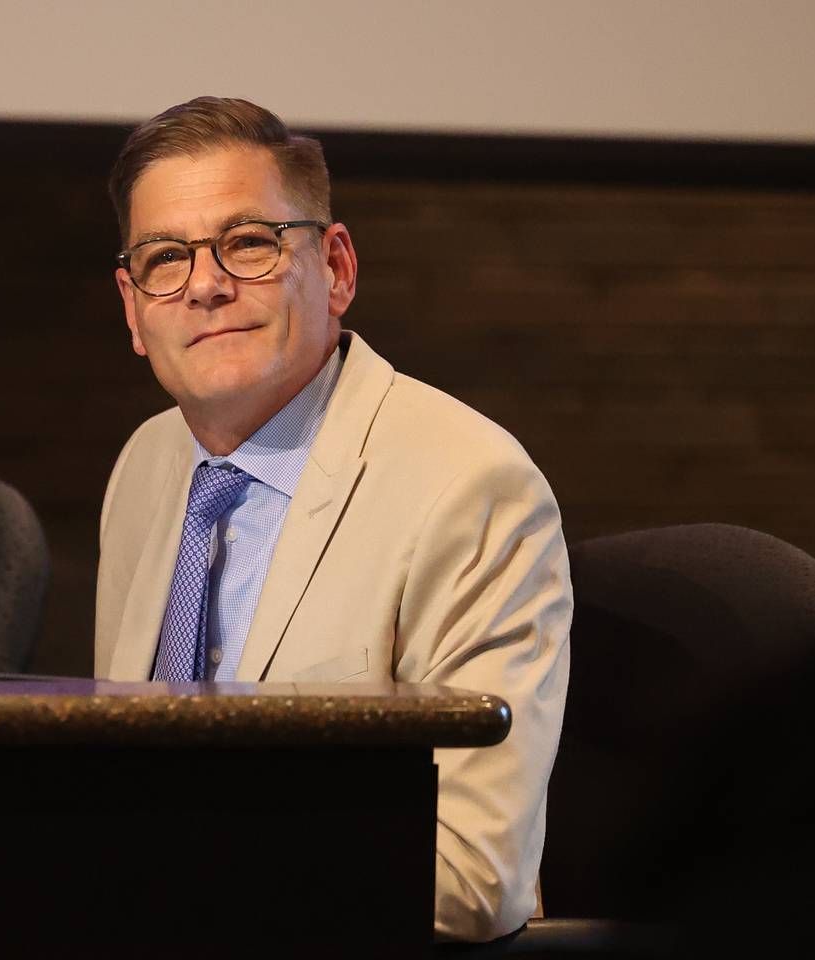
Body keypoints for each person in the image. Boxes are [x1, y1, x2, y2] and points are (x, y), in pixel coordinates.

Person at [93, 97, 572, 943]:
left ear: (337, 268)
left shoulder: (471, 486)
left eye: (248, 243)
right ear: (134, 310)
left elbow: (472, 876)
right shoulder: (144, 465)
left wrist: (170, 865)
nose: (206, 284)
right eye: (166, 259)